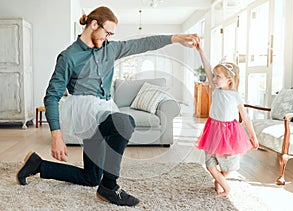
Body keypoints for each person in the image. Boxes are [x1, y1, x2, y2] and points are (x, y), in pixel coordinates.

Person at [16, 6, 200, 207]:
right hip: (83, 113)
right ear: (94, 25)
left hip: (104, 110)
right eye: (107, 32)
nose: (108, 37)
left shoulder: (109, 49)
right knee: (125, 122)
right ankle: (110, 187)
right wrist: (56, 135)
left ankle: (38, 164)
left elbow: (142, 43)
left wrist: (174, 38)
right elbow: (51, 96)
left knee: (91, 177)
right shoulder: (68, 57)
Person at [194, 42, 259, 197]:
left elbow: (246, 117)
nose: (214, 79)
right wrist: (200, 50)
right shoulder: (215, 90)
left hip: (229, 133)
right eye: (214, 76)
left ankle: (220, 181)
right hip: (212, 129)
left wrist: (253, 136)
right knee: (210, 164)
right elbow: (207, 67)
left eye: (219, 77)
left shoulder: (235, 96)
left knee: (228, 166)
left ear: (229, 80)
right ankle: (226, 188)